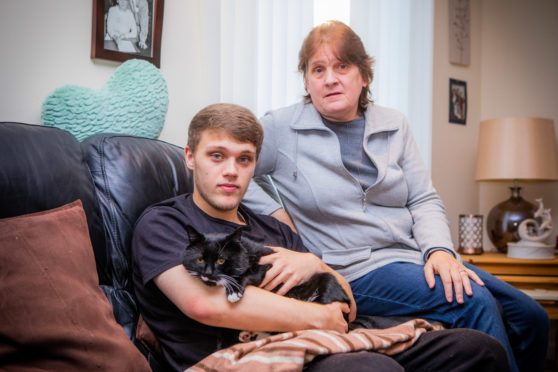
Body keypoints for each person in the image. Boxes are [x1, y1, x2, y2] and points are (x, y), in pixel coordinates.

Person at [243, 21, 548, 372]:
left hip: (411, 255)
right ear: (307, 81)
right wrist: (276, 211)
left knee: (531, 316)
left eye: (342, 66)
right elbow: (235, 168)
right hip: (349, 267)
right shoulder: (282, 128)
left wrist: (440, 251)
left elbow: (423, 199)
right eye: (318, 70)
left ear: (364, 75)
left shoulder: (394, 124)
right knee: (474, 300)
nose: (330, 79)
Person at [131, 103, 509, 371]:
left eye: (244, 159)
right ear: (190, 157)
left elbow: (345, 303)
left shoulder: (273, 229)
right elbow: (204, 304)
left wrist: (315, 263)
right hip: (242, 356)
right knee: (371, 369)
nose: (231, 171)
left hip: (319, 344)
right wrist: (319, 318)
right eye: (217, 156)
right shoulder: (165, 222)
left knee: (477, 348)